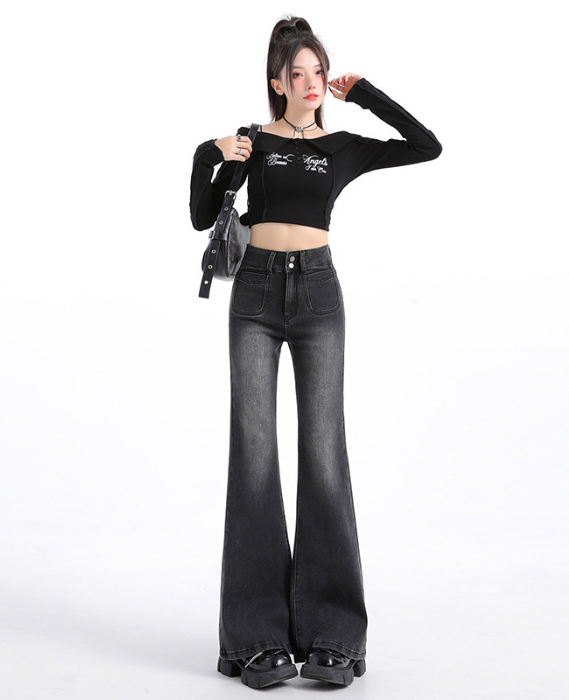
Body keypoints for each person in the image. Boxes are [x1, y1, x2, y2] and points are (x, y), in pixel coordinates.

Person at [189, 15, 441, 689]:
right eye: (296, 73)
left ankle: (335, 637)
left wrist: (367, 94)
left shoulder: (343, 147)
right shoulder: (254, 141)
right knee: (254, 458)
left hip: (320, 298)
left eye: (318, 71)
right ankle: (256, 639)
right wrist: (208, 153)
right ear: (277, 82)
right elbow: (201, 214)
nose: (309, 82)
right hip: (255, 296)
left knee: (325, 457)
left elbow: (427, 146)